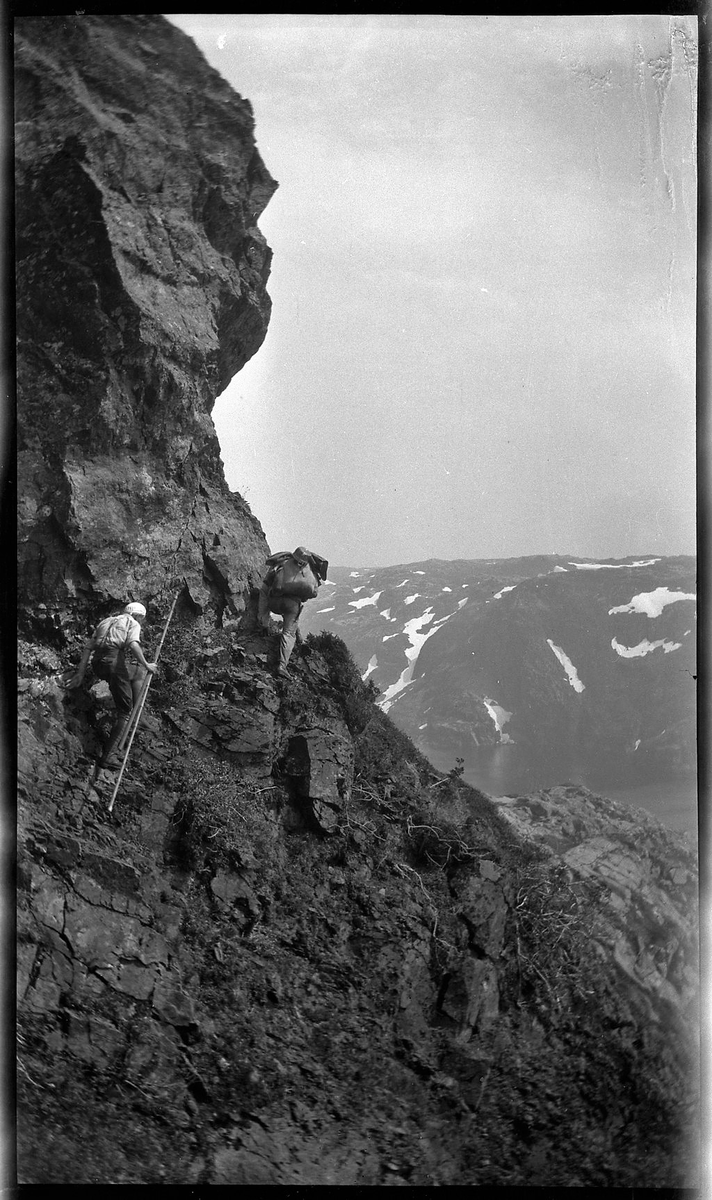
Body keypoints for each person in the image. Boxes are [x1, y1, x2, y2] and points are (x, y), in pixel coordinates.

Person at [65, 601, 157, 770]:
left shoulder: (106, 621)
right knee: (125, 711)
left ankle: (139, 716)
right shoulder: (132, 623)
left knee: (138, 672)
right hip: (114, 663)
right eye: (142, 619)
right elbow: (133, 644)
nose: (141, 622)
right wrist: (147, 664)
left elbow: (88, 647)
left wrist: (80, 673)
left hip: (98, 664)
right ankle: (109, 755)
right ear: (138, 615)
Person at [257, 546, 328, 678]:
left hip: (275, 601)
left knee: (264, 594)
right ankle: (282, 666)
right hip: (293, 605)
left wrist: (264, 623)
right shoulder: (309, 571)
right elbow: (308, 595)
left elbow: (264, 589)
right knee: (289, 633)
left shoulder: (281, 564)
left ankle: (263, 626)